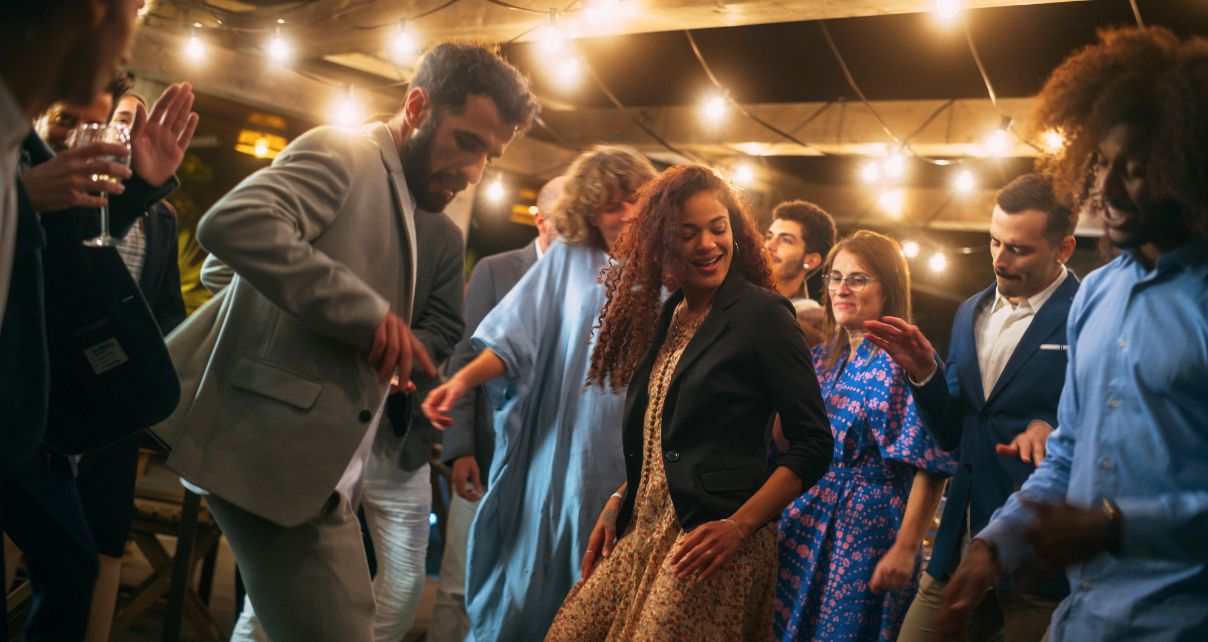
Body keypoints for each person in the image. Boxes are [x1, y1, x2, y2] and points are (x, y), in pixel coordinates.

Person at [159, 42, 538, 642]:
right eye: (467, 141)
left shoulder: (404, 195)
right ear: (417, 107)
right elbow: (231, 226)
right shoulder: (344, 152)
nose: (474, 172)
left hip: (324, 473)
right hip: (271, 454)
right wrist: (363, 314)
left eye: (489, 155)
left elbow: (222, 276)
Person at [936, 27, 1208, 641]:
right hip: (1079, 620)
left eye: (1136, 171)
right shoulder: (1101, 295)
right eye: (1103, 164)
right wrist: (994, 544)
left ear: (1190, 169)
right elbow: (1069, 449)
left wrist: (1117, 524)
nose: (1106, 193)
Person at [543, 164, 832, 641]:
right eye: (688, 233)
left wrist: (739, 528)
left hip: (711, 541)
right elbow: (668, 433)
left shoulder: (765, 315)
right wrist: (620, 498)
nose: (707, 244)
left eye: (719, 228)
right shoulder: (669, 312)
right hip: (646, 530)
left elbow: (814, 445)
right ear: (663, 243)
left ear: (734, 231)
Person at [422, 146, 656, 641]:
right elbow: (512, 340)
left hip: (626, 457)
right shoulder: (566, 261)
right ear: (588, 209)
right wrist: (462, 380)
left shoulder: (663, 270)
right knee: (535, 572)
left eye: (635, 200)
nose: (626, 214)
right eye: (612, 204)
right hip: (555, 451)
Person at [865, 173, 1077, 642]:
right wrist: (925, 374)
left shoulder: (1086, 314)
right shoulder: (970, 312)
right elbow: (952, 437)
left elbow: (1105, 422)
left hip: (1034, 560)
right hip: (956, 546)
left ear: (1064, 248)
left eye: (1018, 249)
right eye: (994, 242)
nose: (1000, 260)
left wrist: (1054, 431)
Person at [774, 230, 957, 642]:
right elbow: (788, 442)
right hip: (806, 516)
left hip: (866, 530)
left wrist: (907, 548)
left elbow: (932, 461)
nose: (841, 288)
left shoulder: (905, 359)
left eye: (857, 279)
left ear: (888, 288)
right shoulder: (821, 357)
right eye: (835, 278)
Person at [429, 174, 563, 642]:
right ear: (540, 219)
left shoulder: (599, 275)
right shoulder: (497, 268)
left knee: (529, 587)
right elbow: (465, 359)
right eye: (566, 219)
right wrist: (459, 447)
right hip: (487, 453)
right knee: (458, 581)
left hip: (550, 462)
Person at [765, 199, 836, 345]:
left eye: (786, 240)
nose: (769, 246)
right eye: (769, 237)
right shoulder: (733, 293)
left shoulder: (815, 323)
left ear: (811, 261)